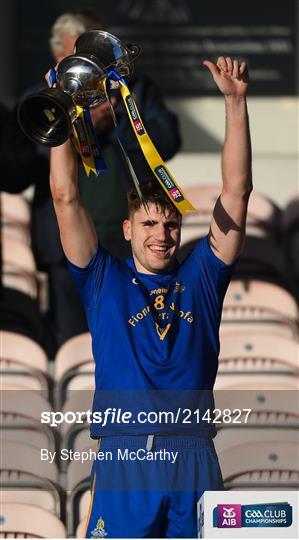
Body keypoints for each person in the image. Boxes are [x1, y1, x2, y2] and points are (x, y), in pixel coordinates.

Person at [49, 54, 252, 538]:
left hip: (192, 455)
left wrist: (235, 104)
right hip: (125, 456)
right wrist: (61, 106)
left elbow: (237, 192)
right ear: (126, 229)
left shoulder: (202, 277)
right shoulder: (103, 278)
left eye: (171, 225)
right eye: (149, 224)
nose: (161, 235)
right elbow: (64, 195)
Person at [1, 10, 181, 353]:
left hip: (132, 240)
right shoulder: (38, 99)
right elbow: (20, 168)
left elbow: (168, 141)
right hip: (65, 246)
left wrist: (117, 121)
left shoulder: (132, 90)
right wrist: (67, 127)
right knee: (75, 347)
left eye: (95, 55)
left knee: (136, 343)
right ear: (59, 56)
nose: (91, 65)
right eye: (79, 56)